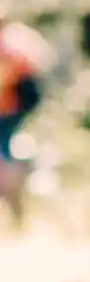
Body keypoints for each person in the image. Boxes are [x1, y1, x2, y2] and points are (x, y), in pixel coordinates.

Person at [0, 20, 48, 229]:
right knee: (6, 150)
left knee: (4, 153)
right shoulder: (17, 37)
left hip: (9, 108)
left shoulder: (8, 44)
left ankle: (13, 195)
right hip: (14, 107)